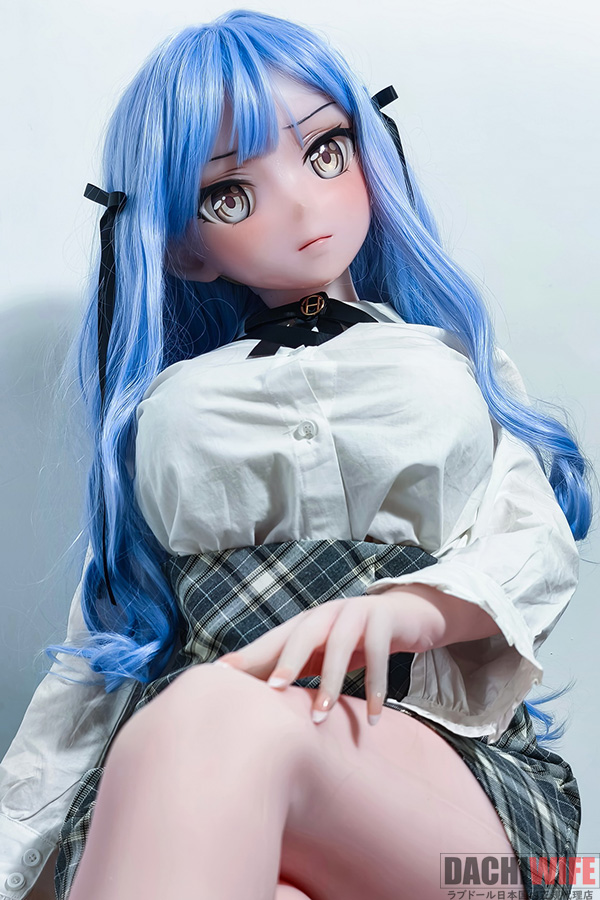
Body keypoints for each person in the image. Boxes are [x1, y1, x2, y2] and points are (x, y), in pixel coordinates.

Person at [0, 10, 590, 900]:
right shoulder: (166, 413)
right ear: (186, 248)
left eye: (324, 152)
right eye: (231, 194)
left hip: (449, 791)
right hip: (203, 786)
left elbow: (532, 538)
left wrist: (424, 607)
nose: (303, 202)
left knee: (209, 715)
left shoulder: (450, 364)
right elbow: (96, 660)